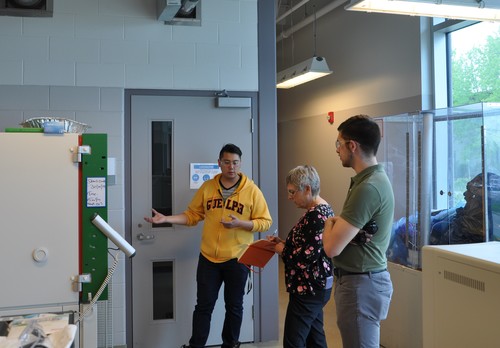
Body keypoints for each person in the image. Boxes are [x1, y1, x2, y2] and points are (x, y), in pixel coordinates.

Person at [144, 143, 273, 348]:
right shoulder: (208, 187)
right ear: (219, 163)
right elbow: (193, 215)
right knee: (203, 306)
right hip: (209, 259)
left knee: (234, 307)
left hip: (237, 258)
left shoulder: (252, 191)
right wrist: (166, 218)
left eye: (236, 163)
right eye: (227, 162)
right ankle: (196, 345)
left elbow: (265, 221)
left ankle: (230, 344)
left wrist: (241, 224)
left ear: (240, 164)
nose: (232, 167)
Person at [322, 115, 395, 348]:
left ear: (352, 146)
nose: (337, 150)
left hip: (360, 286)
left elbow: (331, 247)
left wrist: (328, 224)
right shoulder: (371, 180)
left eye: (338, 144)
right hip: (360, 282)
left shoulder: (369, 187)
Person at [268, 165, 334, 348]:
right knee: (315, 338)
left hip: (309, 288)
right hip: (316, 286)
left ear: (307, 189)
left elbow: (306, 257)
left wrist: (282, 249)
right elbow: (309, 246)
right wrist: (283, 242)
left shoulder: (316, 216)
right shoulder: (323, 209)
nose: (289, 197)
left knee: (293, 341)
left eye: (292, 192)